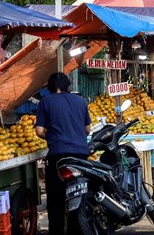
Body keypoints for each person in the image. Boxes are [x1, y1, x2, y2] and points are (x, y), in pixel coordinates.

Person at [35, 72, 91, 235]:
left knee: (56, 199)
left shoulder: (45, 103)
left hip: (58, 156)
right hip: (81, 156)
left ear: (50, 87)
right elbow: (87, 129)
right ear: (67, 85)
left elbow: (39, 131)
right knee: (81, 193)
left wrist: (52, 136)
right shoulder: (80, 101)